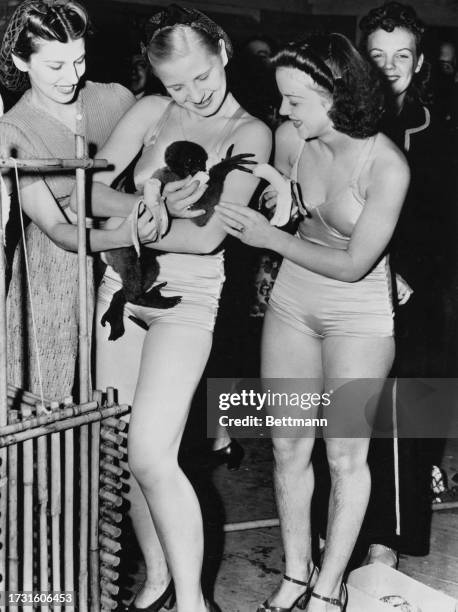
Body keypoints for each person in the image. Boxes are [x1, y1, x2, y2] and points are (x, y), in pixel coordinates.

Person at [84, 5, 271, 610]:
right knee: (125, 452)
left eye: (200, 77)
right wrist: (143, 210)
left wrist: (134, 219)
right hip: (123, 290)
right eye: (175, 85)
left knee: (151, 452)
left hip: (188, 298)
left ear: (222, 49)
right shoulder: (151, 111)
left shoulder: (249, 133)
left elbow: (207, 238)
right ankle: (160, 581)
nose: (192, 95)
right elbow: (88, 186)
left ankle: (194, 601)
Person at [216, 33, 409, 611]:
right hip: (294, 305)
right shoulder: (287, 138)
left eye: (296, 100)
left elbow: (353, 266)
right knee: (288, 447)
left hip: (357, 316)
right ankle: (295, 575)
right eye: (281, 100)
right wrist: (273, 198)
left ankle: (328, 590)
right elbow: (284, 202)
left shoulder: (387, 165)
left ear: (337, 92)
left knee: (344, 455)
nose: (283, 112)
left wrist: (271, 237)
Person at [0, 0, 158, 401]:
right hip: (55, 273)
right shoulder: (12, 132)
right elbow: (55, 228)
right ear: (21, 61)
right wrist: (125, 231)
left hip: (129, 264)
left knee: (124, 395)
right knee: (53, 399)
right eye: (55, 66)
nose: (71, 77)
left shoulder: (118, 99)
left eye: (79, 60)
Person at [358, 1, 454, 566]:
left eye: (403, 56)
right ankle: (343, 527)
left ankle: (388, 540)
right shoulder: (347, 126)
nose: (391, 67)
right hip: (354, 279)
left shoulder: (439, 129)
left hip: (422, 288)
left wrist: (413, 275)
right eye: (378, 56)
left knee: (408, 409)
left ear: (419, 63)